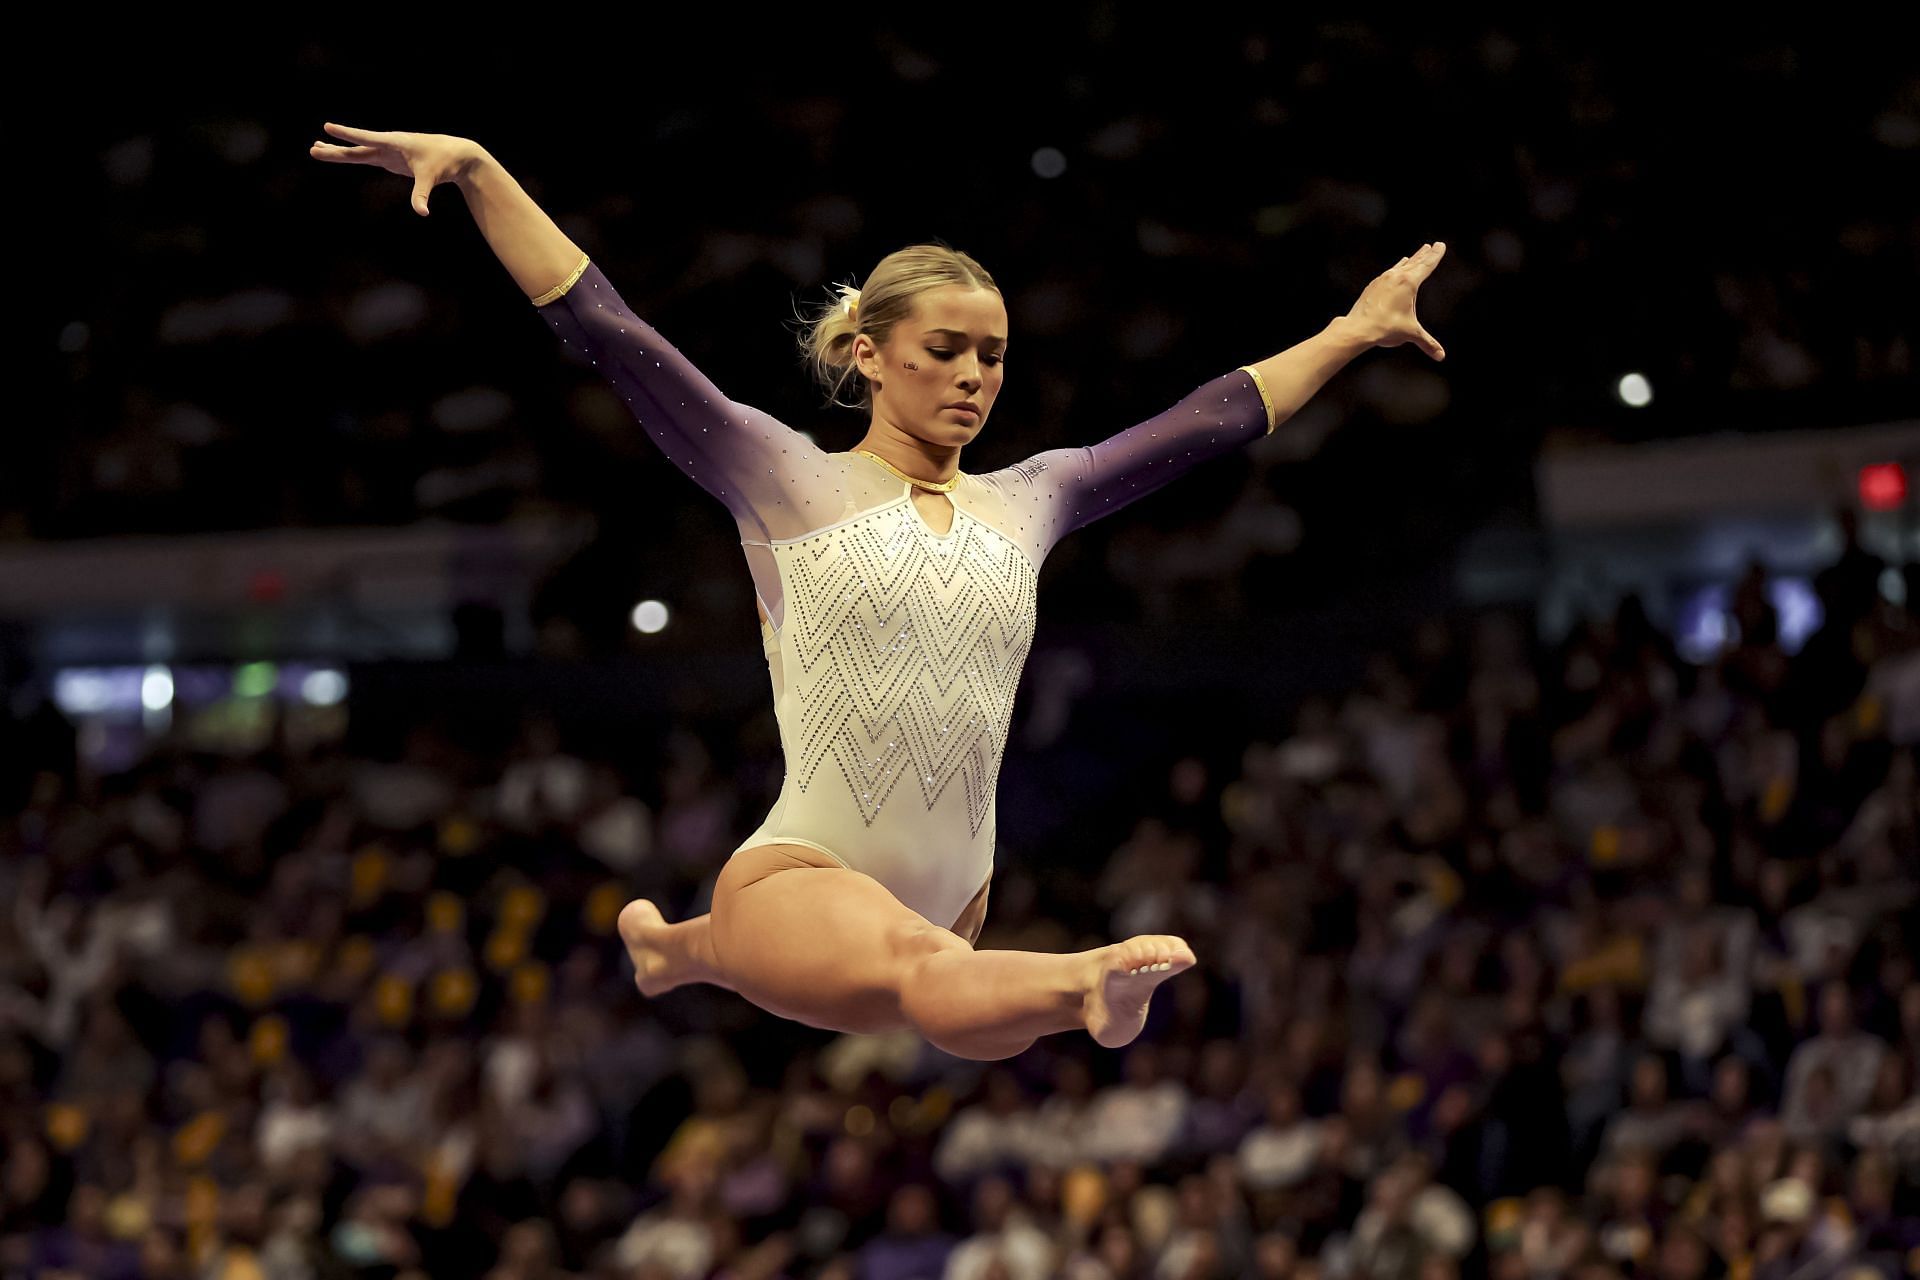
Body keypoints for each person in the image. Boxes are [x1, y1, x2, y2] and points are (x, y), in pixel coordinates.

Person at [310, 122, 1449, 1059]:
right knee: (930, 981)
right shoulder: (788, 479)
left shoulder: (1033, 498)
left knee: (937, 975)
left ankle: (673, 948)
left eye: (993, 355)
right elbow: (608, 331)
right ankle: (1083, 987)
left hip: (957, 896)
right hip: (808, 877)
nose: (973, 376)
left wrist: (1350, 332)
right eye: (945, 348)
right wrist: (478, 171)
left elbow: (1208, 422)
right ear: (868, 354)